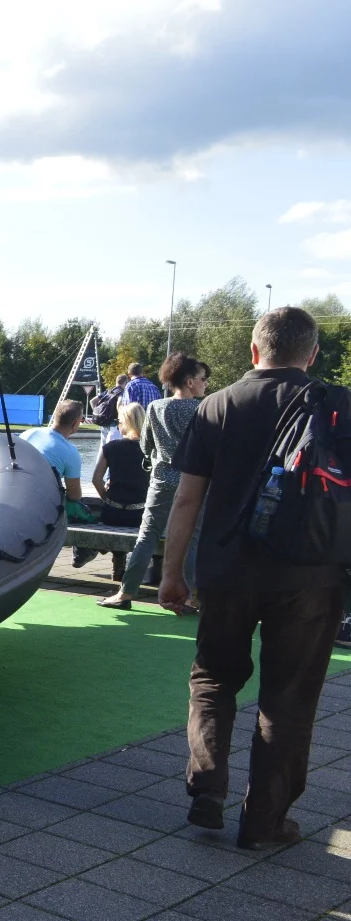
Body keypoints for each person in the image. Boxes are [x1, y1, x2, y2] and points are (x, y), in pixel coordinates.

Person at [159, 307, 341, 849]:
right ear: (310, 354)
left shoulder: (214, 406)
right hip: (312, 575)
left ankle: (208, 789)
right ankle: (265, 820)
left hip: (226, 570)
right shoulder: (336, 404)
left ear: (254, 351)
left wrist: (171, 575)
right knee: (288, 699)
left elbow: (187, 498)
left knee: (214, 678)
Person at [98, 353, 208, 610]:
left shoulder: (156, 408)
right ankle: (190, 597)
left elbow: (146, 446)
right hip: (195, 483)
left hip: (161, 481)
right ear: (190, 382)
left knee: (146, 537)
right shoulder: (202, 409)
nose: (206, 384)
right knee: (193, 538)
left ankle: (125, 593)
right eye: (203, 379)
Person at [20, 399, 87, 514]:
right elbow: (74, 495)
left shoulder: (28, 433)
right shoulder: (71, 452)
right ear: (76, 424)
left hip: (16, 492)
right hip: (40, 504)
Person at [89, 374, 128, 443]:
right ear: (125, 382)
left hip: (103, 421)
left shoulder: (108, 391)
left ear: (116, 382)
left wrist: (97, 413)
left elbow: (92, 401)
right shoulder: (122, 392)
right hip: (114, 423)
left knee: (103, 446)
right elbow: (119, 402)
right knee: (114, 446)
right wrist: (120, 418)